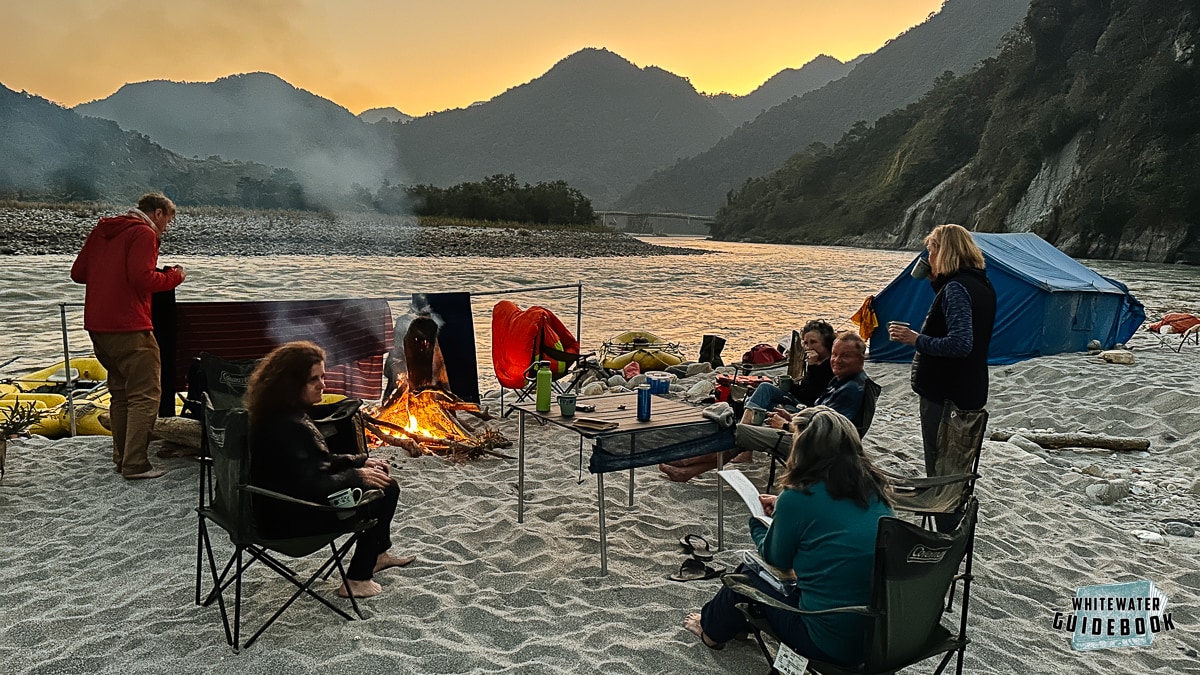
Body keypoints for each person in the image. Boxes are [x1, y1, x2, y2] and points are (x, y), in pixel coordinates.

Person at [683, 407, 894, 665]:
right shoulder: (875, 491)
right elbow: (831, 525)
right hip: (882, 639)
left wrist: (758, 522)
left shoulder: (800, 496)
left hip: (827, 642)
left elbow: (777, 559)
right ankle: (736, 626)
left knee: (746, 575)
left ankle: (711, 633)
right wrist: (785, 509)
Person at [245, 341, 414, 598]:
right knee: (385, 490)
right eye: (314, 379)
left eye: (323, 376)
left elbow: (313, 462)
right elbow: (308, 487)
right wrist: (356, 476)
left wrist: (357, 461)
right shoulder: (288, 427)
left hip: (274, 509)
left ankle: (378, 554)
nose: (323, 385)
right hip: (289, 520)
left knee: (378, 479)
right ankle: (357, 580)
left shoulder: (280, 413)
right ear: (291, 383)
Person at [70, 193, 186, 480]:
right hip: (130, 325)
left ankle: (121, 457)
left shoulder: (103, 229)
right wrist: (175, 276)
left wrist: (108, 275)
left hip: (97, 324)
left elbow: (78, 273)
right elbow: (142, 278)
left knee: (120, 393)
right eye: (168, 221)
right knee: (146, 394)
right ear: (158, 213)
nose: (166, 228)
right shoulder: (144, 233)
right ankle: (136, 463)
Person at [888, 224, 994, 530]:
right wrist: (938, 283)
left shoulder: (958, 288)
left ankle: (944, 537)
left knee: (941, 472)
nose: (928, 255)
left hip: (947, 394)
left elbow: (961, 343)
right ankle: (951, 530)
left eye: (931, 249)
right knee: (955, 469)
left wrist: (914, 339)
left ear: (944, 251)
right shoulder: (980, 284)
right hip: (968, 388)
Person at [658, 332, 870, 483]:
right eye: (835, 355)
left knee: (740, 432)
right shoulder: (842, 380)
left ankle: (686, 463)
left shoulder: (851, 389)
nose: (837, 360)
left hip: (815, 449)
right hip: (806, 436)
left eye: (845, 356)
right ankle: (688, 470)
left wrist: (787, 425)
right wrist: (793, 417)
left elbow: (832, 435)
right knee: (744, 428)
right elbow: (819, 414)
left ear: (861, 358)